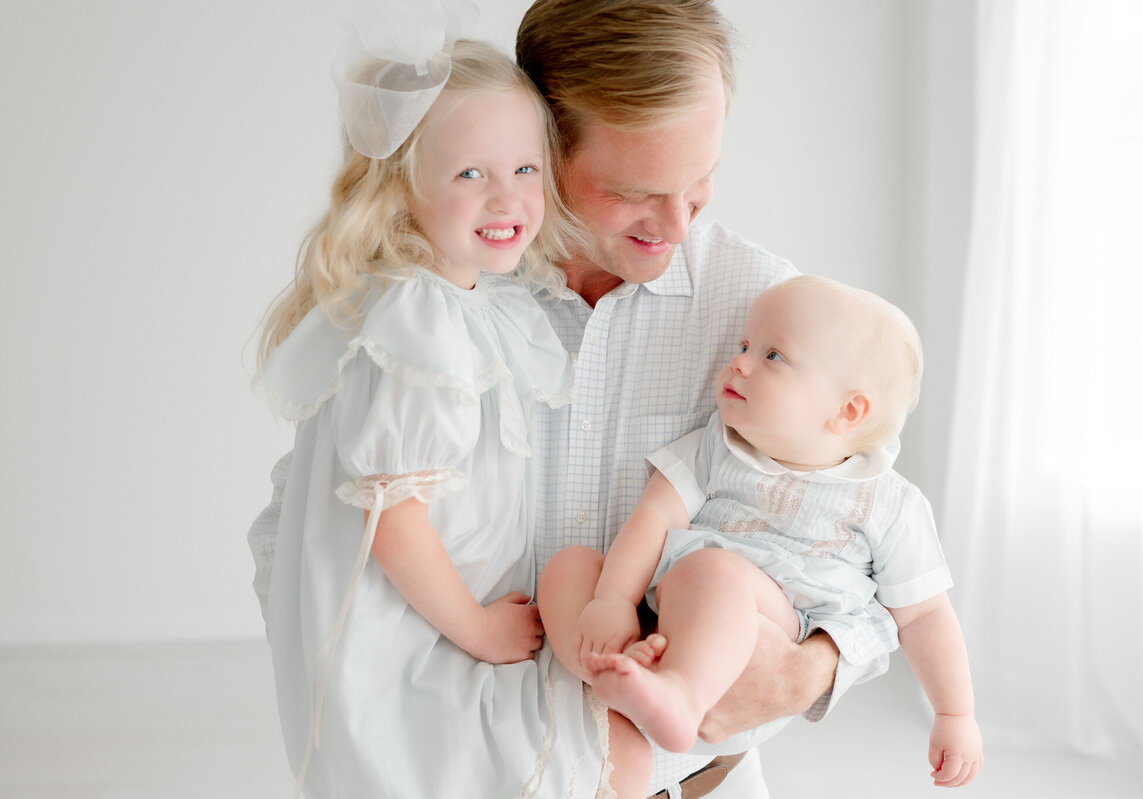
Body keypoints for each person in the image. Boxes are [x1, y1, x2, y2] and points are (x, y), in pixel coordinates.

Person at [250, 2, 892, 796]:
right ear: (542, 146)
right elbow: (306, 523)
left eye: (700, 183)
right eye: (636, 192)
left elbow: (876, 542)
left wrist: (811, 668)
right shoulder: (444, 297)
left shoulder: (764, 314)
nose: (678, 224)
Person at [251, 35, 627, 798]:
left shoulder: (469, 299)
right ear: (403, 188)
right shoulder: (414, 318)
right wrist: (479, 630)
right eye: (469, 173)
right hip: (421, 617)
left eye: (525, 169)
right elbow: (392, 518)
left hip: (455, 604)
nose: (507, 197)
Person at [539, 276, 984, 790]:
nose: (740, 361)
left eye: (773, 357)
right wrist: (615, 600)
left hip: (756, 651)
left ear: (848, 411)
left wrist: (955, 714)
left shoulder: (889, 502)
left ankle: (680, 694)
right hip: (658, 619)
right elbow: (655, 516)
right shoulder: (719, 444)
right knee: (569, 566)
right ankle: (613, 684)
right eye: (746, 345)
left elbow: (926, 613)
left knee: (710, 571)